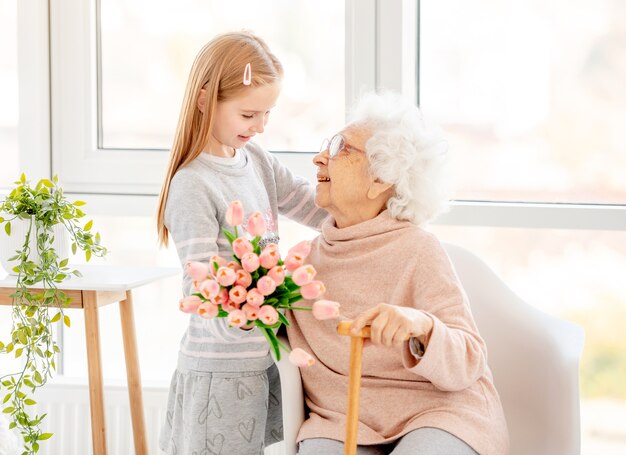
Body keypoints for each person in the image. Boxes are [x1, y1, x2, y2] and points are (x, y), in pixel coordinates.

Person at [286, 91, 510, 455]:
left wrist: (421, 325)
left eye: (341, 148)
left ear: (381, 179)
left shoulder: (418, 249)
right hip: (341, 419)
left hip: (438, 413)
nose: (318, 158)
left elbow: (469, 357)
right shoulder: (302, 266)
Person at [156, 31, 327, 455]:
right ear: (204, 99)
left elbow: (313, 207)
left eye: (267, 114)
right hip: (220, 371)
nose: (261, 126)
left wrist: (373, 210)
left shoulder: (258, 161)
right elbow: (199, 291)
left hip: (261, 364)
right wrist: (249, 313)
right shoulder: (193, 185)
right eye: (249, 114)